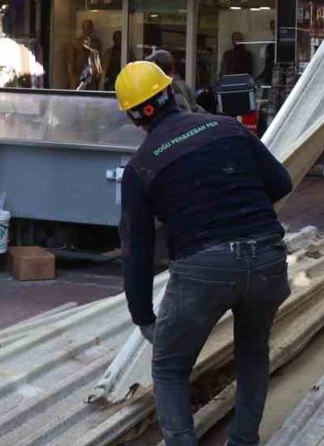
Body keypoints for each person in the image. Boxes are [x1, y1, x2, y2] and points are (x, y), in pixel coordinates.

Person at [114, 61, 292, 446]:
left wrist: (142, 315)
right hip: (267, 257)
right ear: (173, 92)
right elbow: (281, 182)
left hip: (203, 268)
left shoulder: (141, 167)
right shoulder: (228, 127)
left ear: (132, 117)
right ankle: (243, 441)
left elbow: (136, 250)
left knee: (169, 368)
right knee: (252, 352)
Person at [146, 49, 203, 113]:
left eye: (152, 66)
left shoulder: (170, 85)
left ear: (158, 67)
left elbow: (183, 108)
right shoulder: (179, 83)